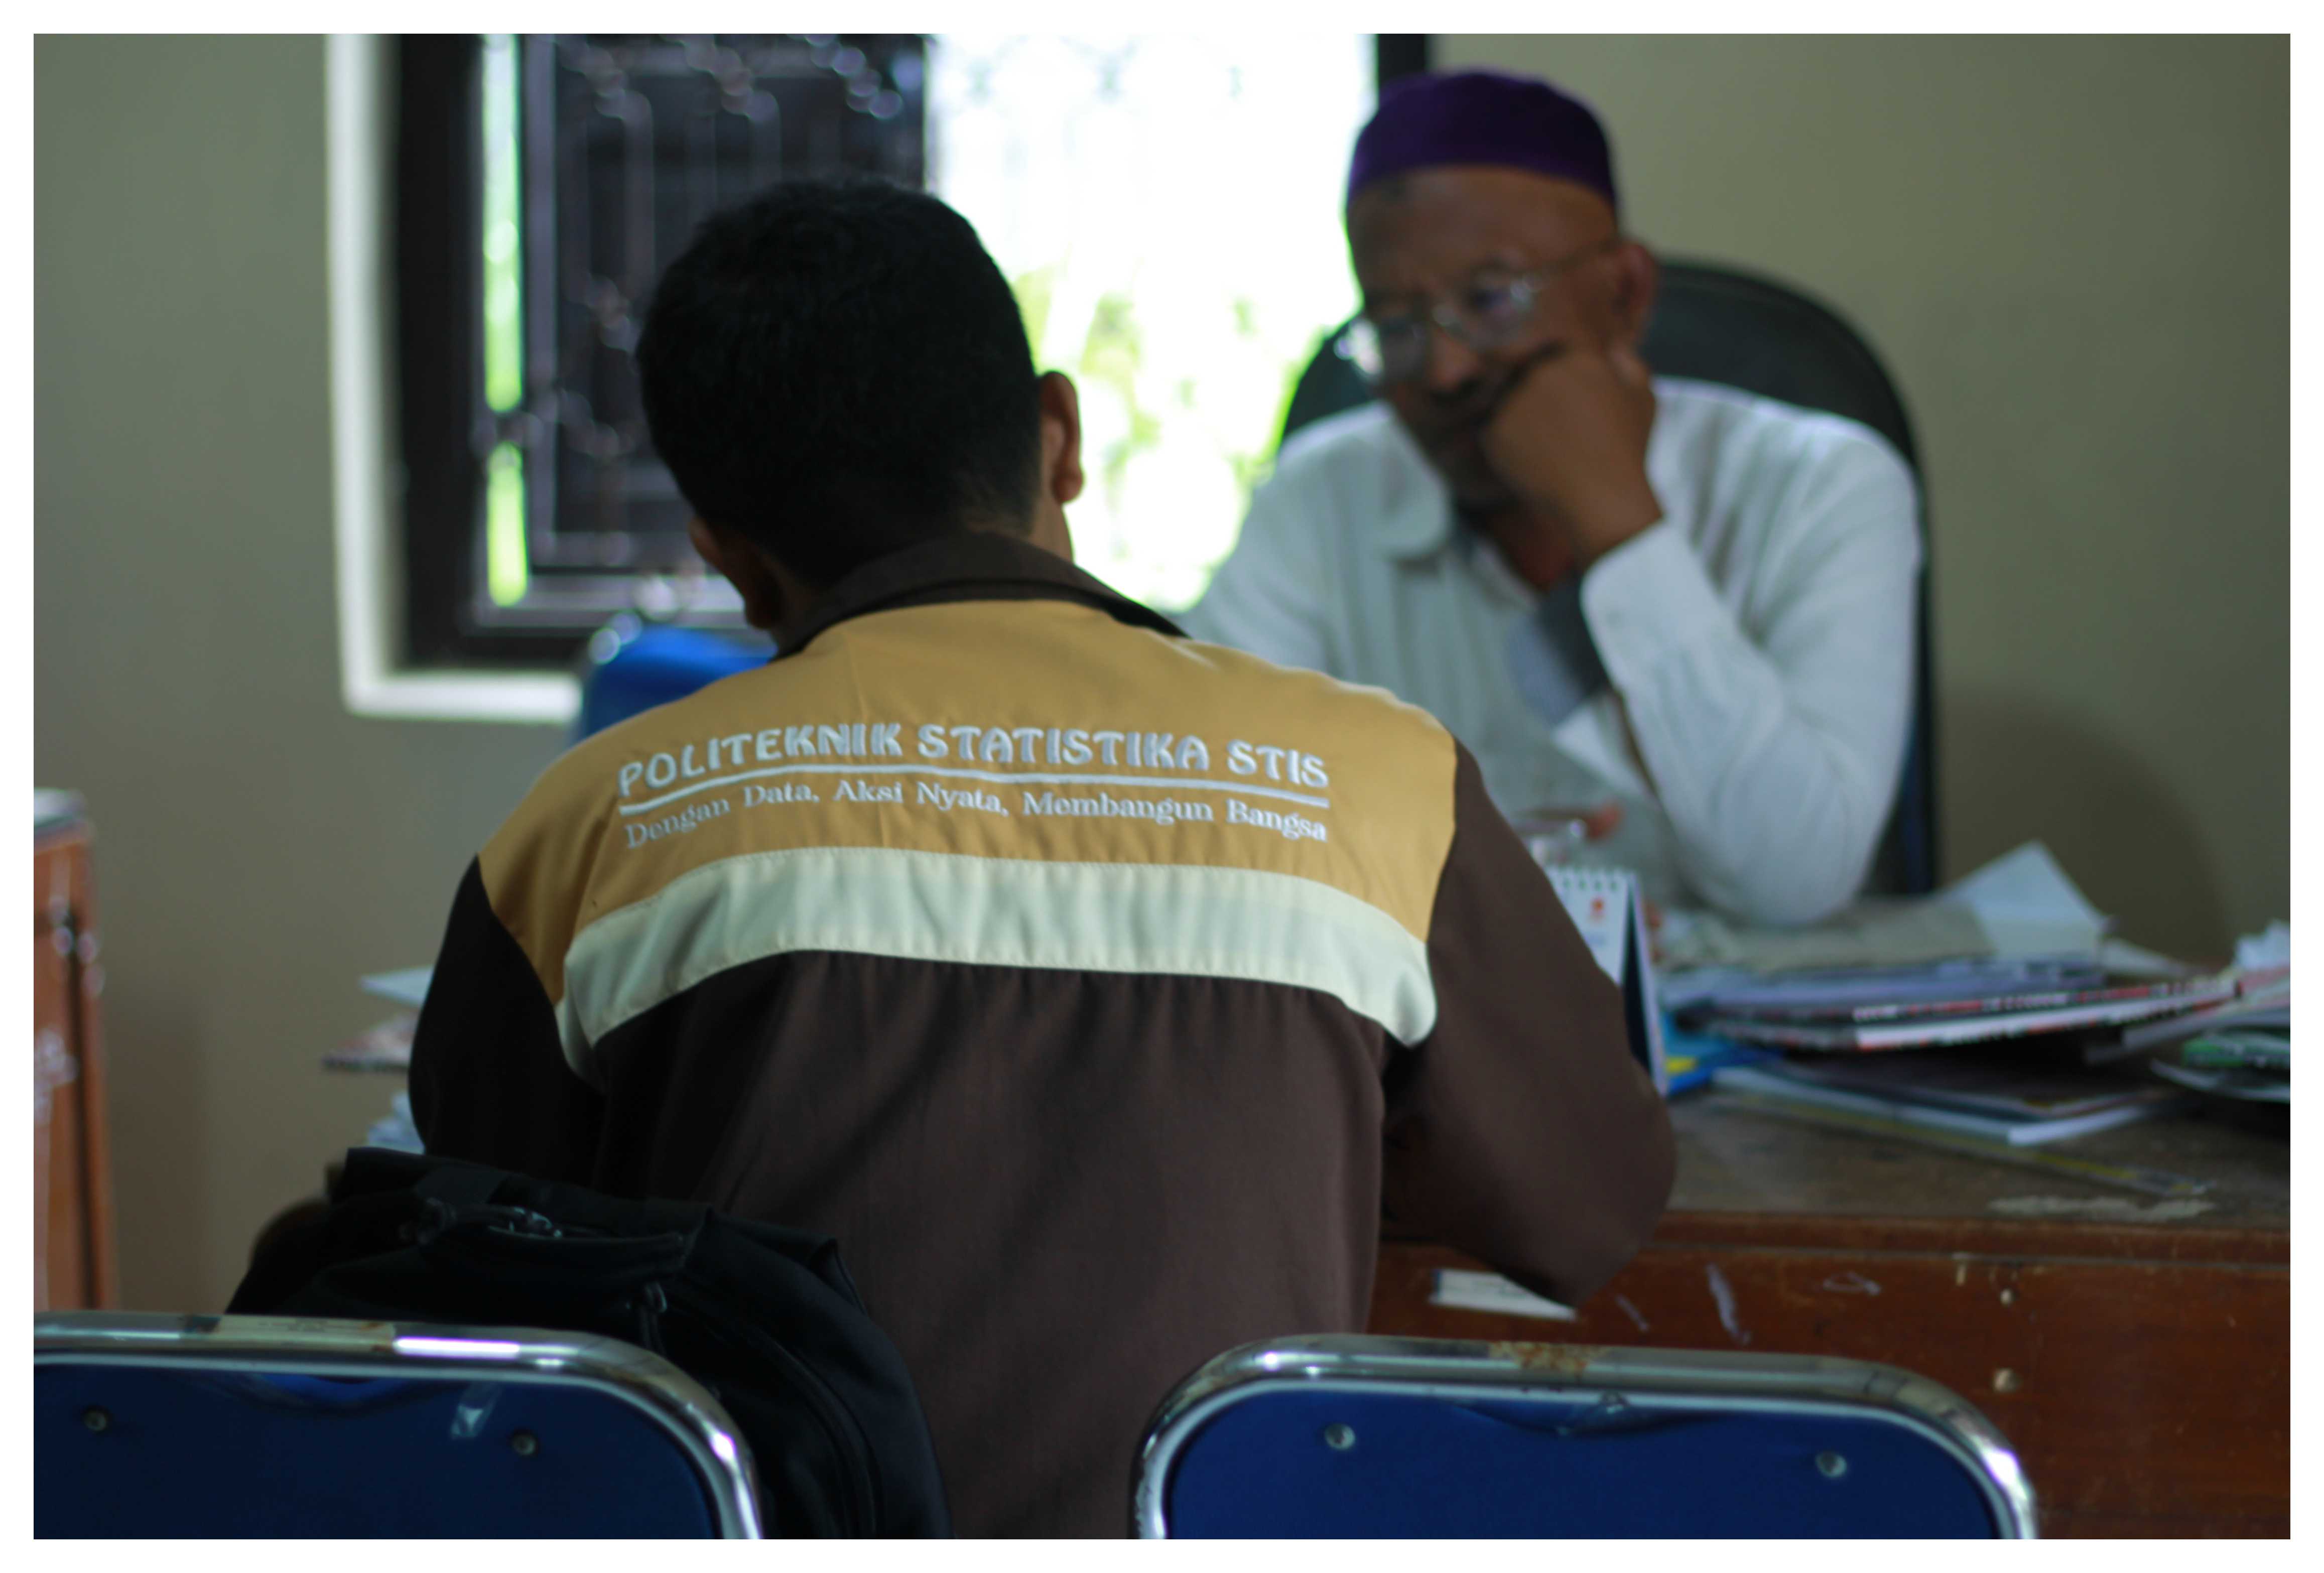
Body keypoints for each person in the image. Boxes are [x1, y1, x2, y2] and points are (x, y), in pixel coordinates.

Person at [408, 178, 1673, 1537]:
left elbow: (499, 1260)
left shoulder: (597, 818)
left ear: (727, 554)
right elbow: (1595, 1197)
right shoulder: (1376, 780)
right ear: (1057, 436)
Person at [1185, 70, 1922, 928]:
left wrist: (1620, 531)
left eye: (1491, 300)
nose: (1446, 368)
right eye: (1395, 325)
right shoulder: (1319, 497)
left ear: (1624, 293)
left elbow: (1795, 880)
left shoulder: (1822, 486)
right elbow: (1215, 827)